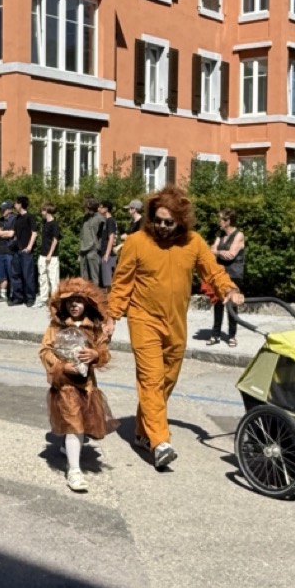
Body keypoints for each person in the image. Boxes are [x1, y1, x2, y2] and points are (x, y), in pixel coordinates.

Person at [107, 187, 244, 471]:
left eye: (168, 222)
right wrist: (112, 317)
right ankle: (160, 443)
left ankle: (143, 432)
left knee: (167, 379)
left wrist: (229, 289)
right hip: (143, 319)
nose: (162, 226)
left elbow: (213, 271)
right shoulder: (137, 242)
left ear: (181, 221)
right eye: (157, 220)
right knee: (151, 379)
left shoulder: (193, 242)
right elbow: (122, 283)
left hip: (176, 323)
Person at [38, 278, 118, 494]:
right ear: (62, 304)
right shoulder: (56, 326)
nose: (74, 305)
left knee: (82, 422)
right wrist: (62, 366)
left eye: (79, 301)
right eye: (69, 301)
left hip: (87, 386)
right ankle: (74, 470)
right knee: (74, 424)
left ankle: (69, 446)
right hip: (64, 385)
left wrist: (95, 355)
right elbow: (45, 351)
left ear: (87, 303)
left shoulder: (94, 327)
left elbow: (104, 352)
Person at [207, 209, 246, 347]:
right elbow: (211, 250)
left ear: (228, 221)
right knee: (217, 304)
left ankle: (232, 336)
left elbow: (230, 255)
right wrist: (219, 252)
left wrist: (217, 252)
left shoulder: (238, 235)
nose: (219, 222)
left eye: (221, 219)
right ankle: (215, 334)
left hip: (234, 274)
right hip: (220, 273)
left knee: (232, 305)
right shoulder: (220, 235)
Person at [7, 195, 37, 307]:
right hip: (17, 250)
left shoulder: (30, 217)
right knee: (15, 275)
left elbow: (34, 232)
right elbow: (15, 233)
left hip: (26, 251)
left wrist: (29, 247)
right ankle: (18, 297)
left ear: (21, 204)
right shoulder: (17, 218)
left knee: (28, 275)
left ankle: (30, 298)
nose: (14, 205)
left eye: (16, 203)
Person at [34, 203, 60, 308]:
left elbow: (55, 240)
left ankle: (55, 301)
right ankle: (43, 298)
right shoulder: (45, 223)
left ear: (47, 211)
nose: (41, 212)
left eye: (43, 210)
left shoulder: (54, 224)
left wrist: (50, 254)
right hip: (42, 254)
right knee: (42, 277)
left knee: (53, 279)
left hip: (52, 256)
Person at [78, 197, 104, 284]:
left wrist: (97, 248)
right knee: (84, 278)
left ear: (90, 207)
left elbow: (102, 236)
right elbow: (82, 234)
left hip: (93, 251)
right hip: (83, 251)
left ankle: (95, 292)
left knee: (94, 277)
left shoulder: (100, 219)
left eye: (85, 206)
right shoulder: (85, 218)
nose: (84, 208)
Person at [98, 199, 118, 287]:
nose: (99, 209)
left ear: (106, 209)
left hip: (109, 255)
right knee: (105, 282)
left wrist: (107, 254)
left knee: (108, 282)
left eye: (101, 207)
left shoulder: (110, 221)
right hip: (105, 254)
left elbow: (111, 238)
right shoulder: (106, 221)